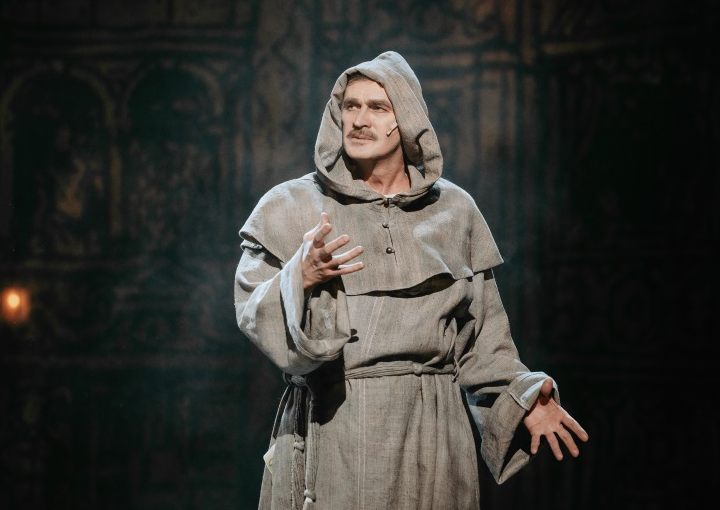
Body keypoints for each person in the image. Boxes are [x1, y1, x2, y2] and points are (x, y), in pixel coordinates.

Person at [234, 51, 589, 510]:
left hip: (432, 433)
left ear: (407, 119)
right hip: (338, 427)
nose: (359, 120)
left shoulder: (454, 211)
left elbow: (484, 344)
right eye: (350, 106)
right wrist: (298, 277)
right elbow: (252, 309)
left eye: (377, 107)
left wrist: (523, 398)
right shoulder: (291, 206)